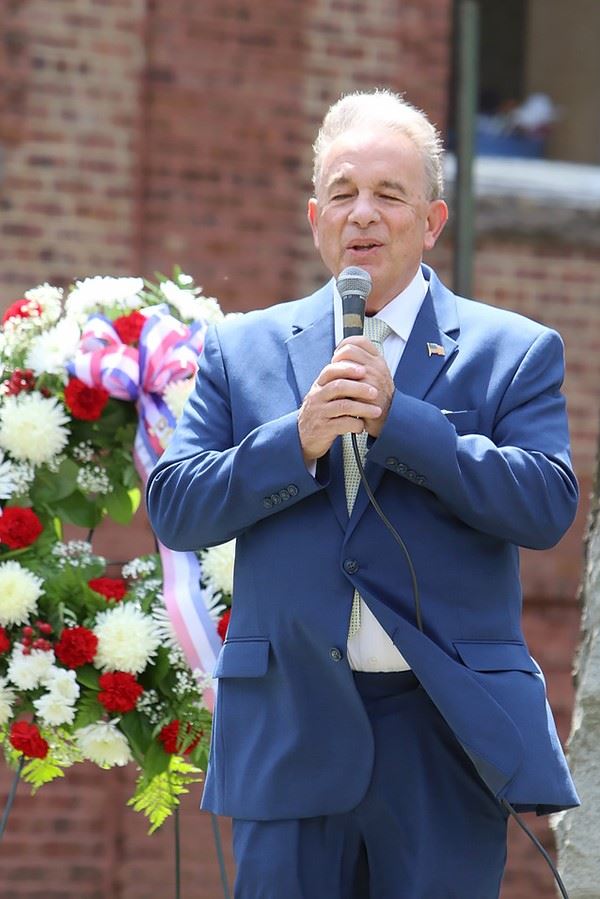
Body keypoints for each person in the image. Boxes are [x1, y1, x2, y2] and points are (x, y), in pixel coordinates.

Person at [146, 89, 579, 898]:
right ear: (315, 217)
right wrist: (295, 440)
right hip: (290, 730)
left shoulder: (512, 351)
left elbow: (546, 504)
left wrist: (403, 423)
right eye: (342, 193)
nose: (363, 215)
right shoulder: (241, 350)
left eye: (389, 194)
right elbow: (175, 504)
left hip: (445, 737)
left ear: (434, 221)